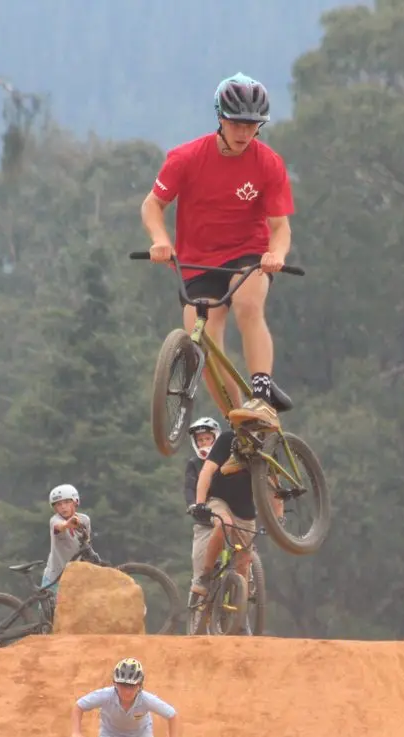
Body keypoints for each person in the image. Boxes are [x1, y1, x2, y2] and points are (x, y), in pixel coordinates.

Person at [141, 72, 296, 433]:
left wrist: (276, 254)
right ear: (220, 118)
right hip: (197, 261)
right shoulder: (185, 158)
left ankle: (261, 394)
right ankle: (239, 424)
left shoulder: (267, 162)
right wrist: (160, 240)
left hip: (249, 255)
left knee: (247, 303)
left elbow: (280, 227)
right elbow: (152, 205)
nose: (244, 133)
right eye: (236, 124)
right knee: (203, 341)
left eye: (252, 126)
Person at [188, 429, 258, 606]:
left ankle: (237, 619)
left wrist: (278, 521)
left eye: (207, 438)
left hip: (245, 509)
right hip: (220, 500)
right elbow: (206, 471)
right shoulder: (229, 440)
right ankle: (205, 575)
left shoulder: (269, 447)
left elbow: (273, 487)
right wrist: (200, 503)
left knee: (242, 566)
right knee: (224, 524)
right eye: (200, 440)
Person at [69, 657, 181, 737]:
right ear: (115, 683)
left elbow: (172, 715)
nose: (127, 691)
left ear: (140, 685)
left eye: (132, 686)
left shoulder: (146, 699)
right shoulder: (105, 695)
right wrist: (76, 733)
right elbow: (79, 707)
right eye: (123, 685)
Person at [183, 416, 221, 609]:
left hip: (228, 518)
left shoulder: (227, 459)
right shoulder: (194, 463)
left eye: (207, 439)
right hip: (204, 523)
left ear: (216, 438)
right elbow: (189, 487)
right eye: (200, 440)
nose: (203, 443)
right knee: (199, 570)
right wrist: (192, 504)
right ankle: (197, 618)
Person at [43, 484, 95, 594]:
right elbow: (59, 527)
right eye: (58, 504)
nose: (63, 507)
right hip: (54, 577)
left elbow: (87, 544)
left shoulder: (84, 520)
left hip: (74, 576)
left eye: (67, 502)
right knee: (50, 610)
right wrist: (67, 524)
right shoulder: (55, 520)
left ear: (75, 502)